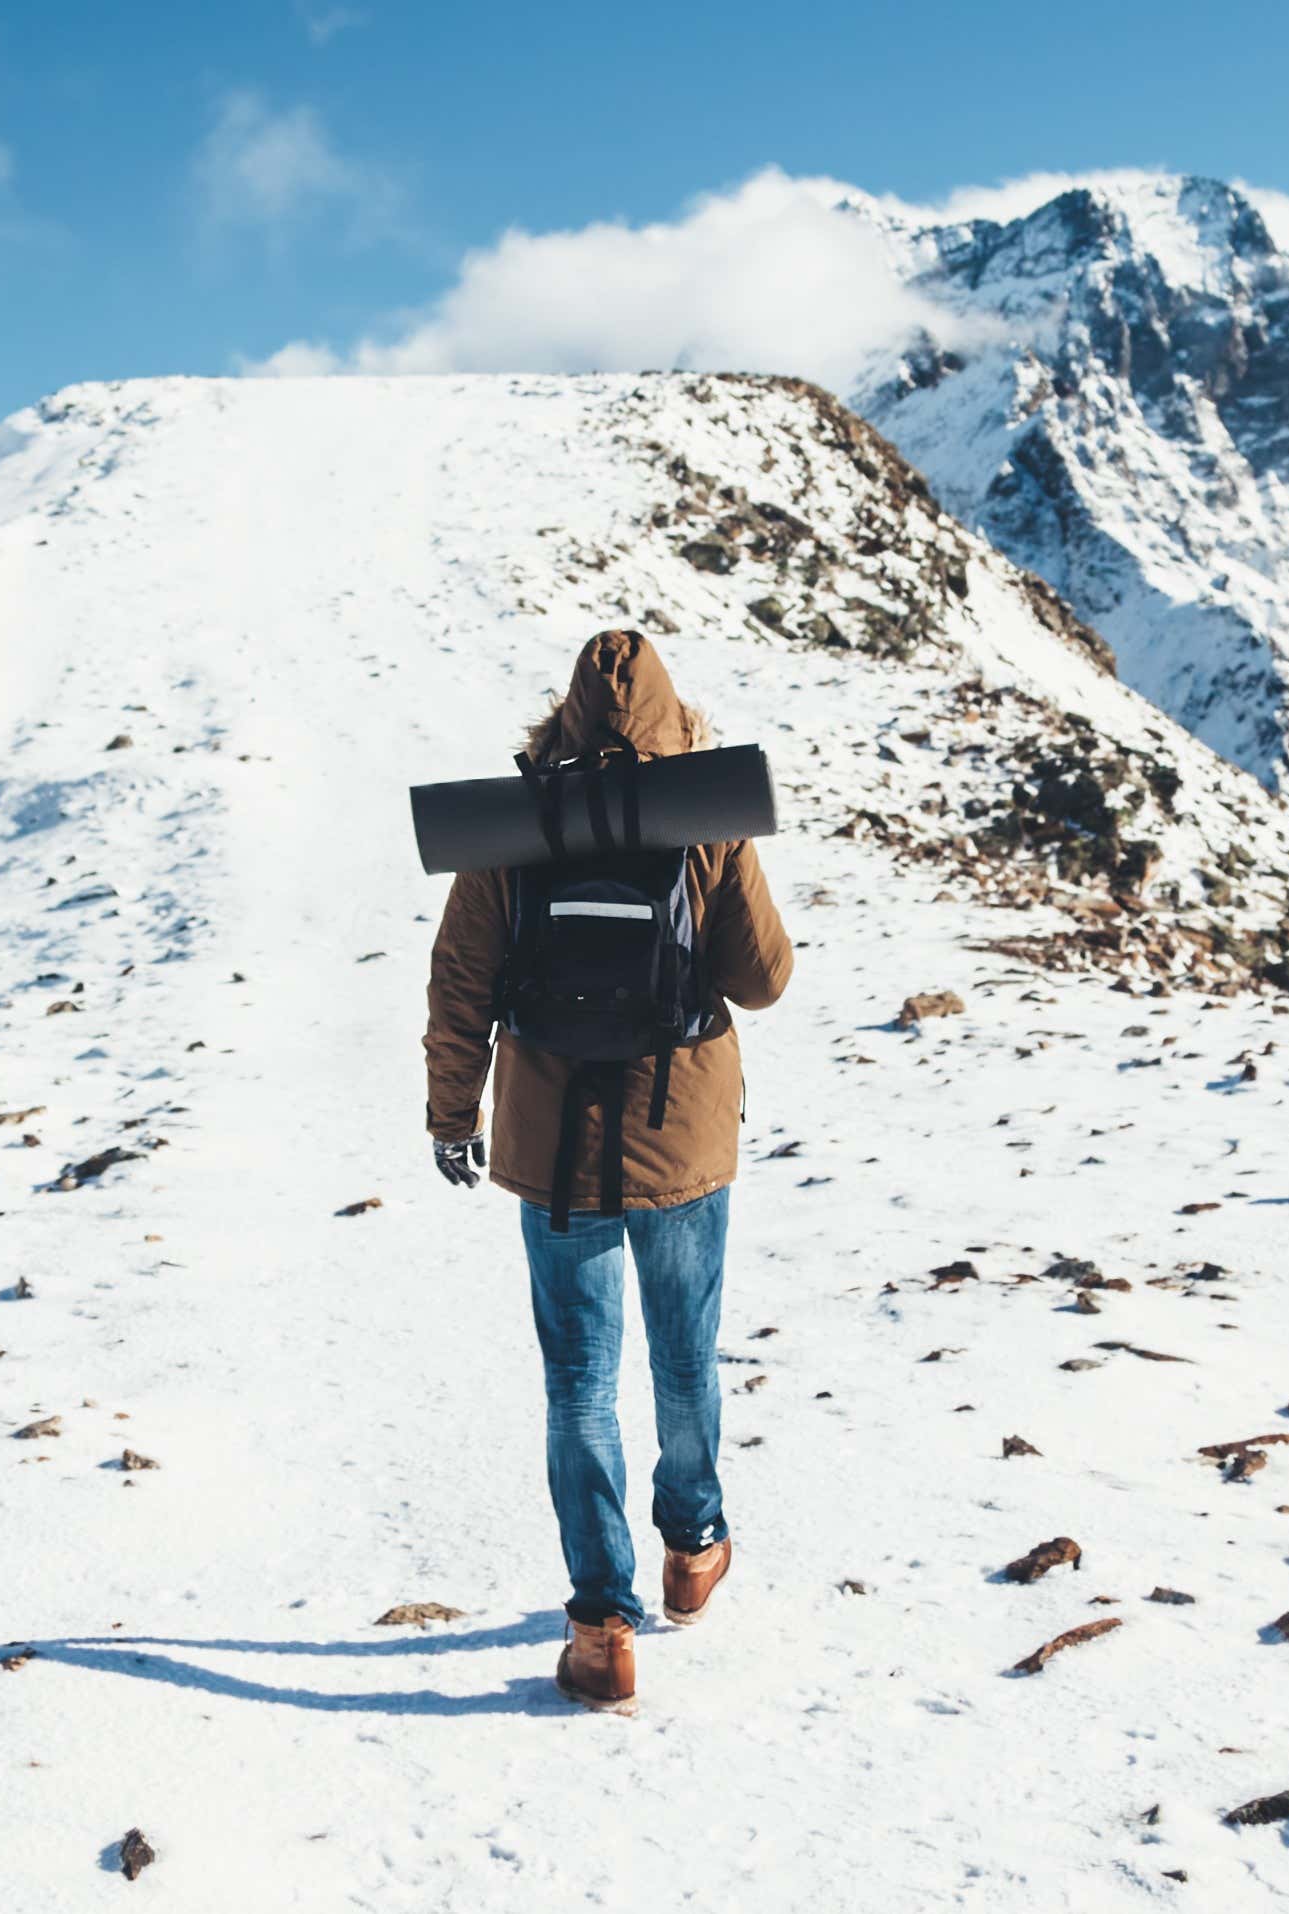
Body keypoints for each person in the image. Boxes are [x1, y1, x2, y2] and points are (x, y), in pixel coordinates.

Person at [419, 629, 795, 1711]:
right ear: (675, 720)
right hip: (683, 1138)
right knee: (684, 1359)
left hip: (554, 1146)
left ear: (564, 718)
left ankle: (600, 1629)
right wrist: (724, 850)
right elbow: (762, 979)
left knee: (579, 1383)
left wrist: (454, 1115)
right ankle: (694, 1548)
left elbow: (461, 985)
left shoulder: (513, 824)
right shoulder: (702, 815)